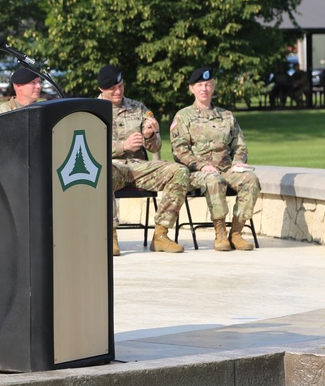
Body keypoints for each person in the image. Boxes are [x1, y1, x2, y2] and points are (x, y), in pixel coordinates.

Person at [97, 65, 190, 255]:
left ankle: (161, 235)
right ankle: (110, 236)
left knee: (179, 172)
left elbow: (155, 147)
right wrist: (123, 146)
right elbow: (88, 146)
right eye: (112, 89)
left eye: (121, 86)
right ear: (101, 90)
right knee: (102, 174)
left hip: (139, 167)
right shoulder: (92, 110)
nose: (118, 91)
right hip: (111, 167)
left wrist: (149, 135)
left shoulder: (138, 108)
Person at [170, 67, 260, 252]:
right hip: (196, 173)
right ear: (191, 89)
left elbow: (239, 145)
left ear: (213, 87)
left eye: (208, 84)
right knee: (214, 179)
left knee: (251, 180)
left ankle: (235, 233)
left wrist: (238, 163)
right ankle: (220, 233)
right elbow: (179, 151)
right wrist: (202, 166)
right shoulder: (183, 116)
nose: (204, 88)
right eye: (200, 85)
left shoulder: (226, 116)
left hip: (226, 169)